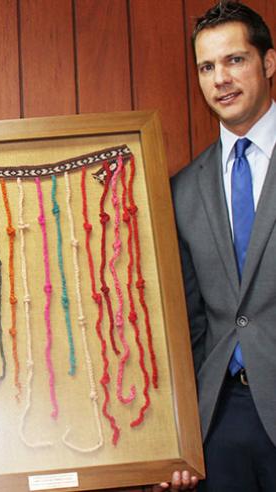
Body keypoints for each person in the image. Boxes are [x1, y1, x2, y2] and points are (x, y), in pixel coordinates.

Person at [164, 1, 276, 490]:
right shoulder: (183, 189)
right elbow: (187, 326)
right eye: (207, 67)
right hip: (221, 423)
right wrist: (177, 439)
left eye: (235, 60)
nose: (220, 79)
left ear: (268, 62)